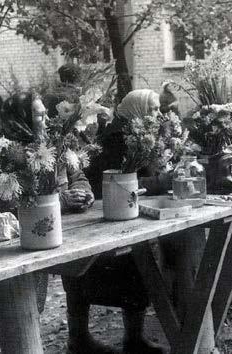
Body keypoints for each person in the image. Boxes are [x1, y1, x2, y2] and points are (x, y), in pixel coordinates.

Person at [0, 92, 95, 353]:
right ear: (20, 119)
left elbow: (78, 174)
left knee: (33, 302)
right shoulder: (6, 154)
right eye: (39, 115)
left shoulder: (54, 145)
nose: (46, 120)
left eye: (46, 113)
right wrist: (61, 200)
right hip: (17, 244)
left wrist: (83, 193)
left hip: (60, 234)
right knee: (14, 303)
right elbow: (6, 202)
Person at [62, 89, 165, 354]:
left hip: (124, 216)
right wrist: (163, 181)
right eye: (152, 109)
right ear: (136, 110)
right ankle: (83, 339)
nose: (158, 114)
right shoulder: (117, 139)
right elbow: (124, 182)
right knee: (115, 268)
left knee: (140, 265)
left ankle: (133, 338)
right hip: (99, 220)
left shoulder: (136, 134)